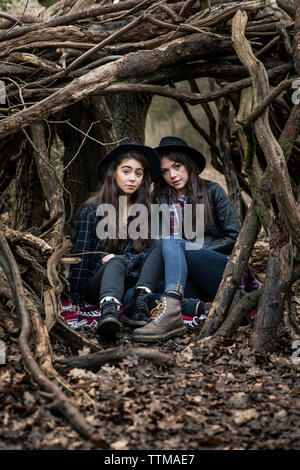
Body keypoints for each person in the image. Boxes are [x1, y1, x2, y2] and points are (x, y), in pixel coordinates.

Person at [130, 136, 242, 343]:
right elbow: (155, 244)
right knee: (134, 296)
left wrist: (189, 249)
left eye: (177, 166)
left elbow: (234, 236)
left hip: (218, 271)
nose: (172, 175)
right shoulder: (158, 199)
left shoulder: (212, 191)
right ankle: (201, 307)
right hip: (182, 279)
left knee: (172, 242)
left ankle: (171, 310)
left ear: (188, 164)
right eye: (164, 171)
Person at [67, 142, 161, 342]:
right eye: (126, 171)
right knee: (115, 262)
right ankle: (108, 314)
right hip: (98, 283)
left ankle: (139, 302)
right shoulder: (92, 211)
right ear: (114, 173)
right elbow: (81, 256)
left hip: (132, 282)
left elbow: (149, 252)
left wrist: (125, 259)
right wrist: (75, 295)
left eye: (138, 173)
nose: (132, 178)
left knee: (159, 246)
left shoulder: (146, 212)